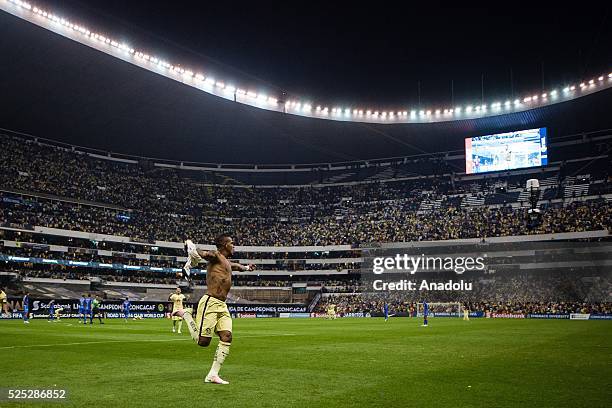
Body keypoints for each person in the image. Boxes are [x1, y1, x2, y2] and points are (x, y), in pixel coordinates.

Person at [173, 236, 255, 385]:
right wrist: (192, 248)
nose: (234, 246)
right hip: (210, 302)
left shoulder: (226, 262)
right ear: (224, 245)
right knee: (203, 342)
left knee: (227, 336)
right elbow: (204, 254)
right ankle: (186, 315)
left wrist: (247, 268)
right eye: (232, 243)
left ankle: (212, 374)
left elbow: (236, 266)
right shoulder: (216, 256)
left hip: (222, 305)